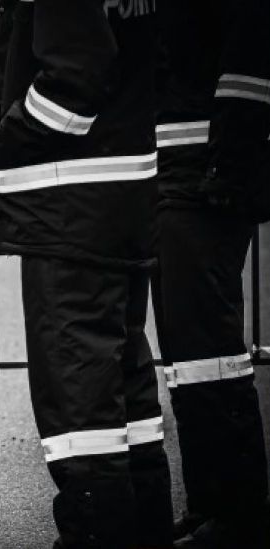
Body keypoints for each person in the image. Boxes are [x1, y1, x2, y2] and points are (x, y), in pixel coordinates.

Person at [0, 1, 173, 547]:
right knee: (123, 383)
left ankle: (99, 533)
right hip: (115, 199)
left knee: (79, 390)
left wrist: (8, 138)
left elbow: (77, 73)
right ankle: (144, 526)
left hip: (67, 206)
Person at [154, 1, 270, 547]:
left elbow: (251, 58)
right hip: (177, 169)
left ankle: (239, 513)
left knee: (211, 356)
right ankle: (210, 504)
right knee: (189, 359)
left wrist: (230, 166)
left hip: (206, 172)